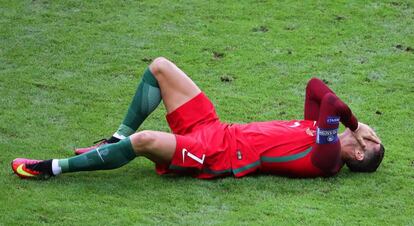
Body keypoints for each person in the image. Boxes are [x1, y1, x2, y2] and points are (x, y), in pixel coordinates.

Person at [11, 57, 384, 180]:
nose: (368, 132)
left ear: (360, 154)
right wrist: (354, 126)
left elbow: (332, 102)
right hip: (216, 129)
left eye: (371, 139)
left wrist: (354, 125)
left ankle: (51, 168)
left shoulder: (329, 158)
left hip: (218, 157)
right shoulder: (318, 130)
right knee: (159, 67)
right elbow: (315, 87)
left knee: (143, 143)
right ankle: (113, 139)